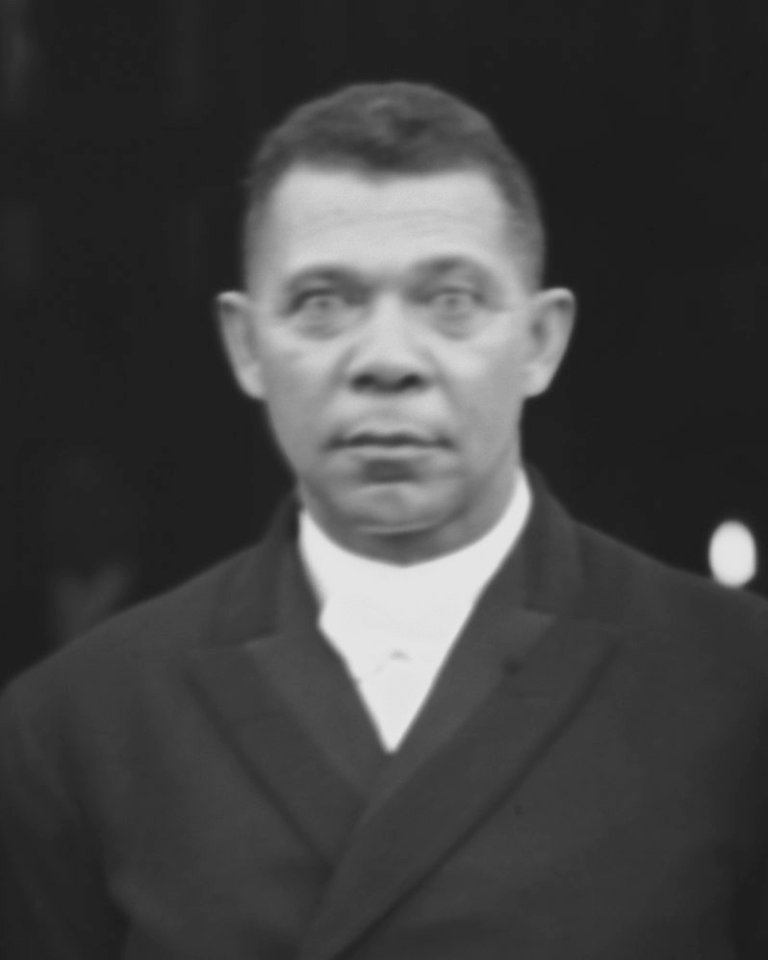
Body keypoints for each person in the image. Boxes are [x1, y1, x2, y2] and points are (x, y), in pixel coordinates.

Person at [2, 81, 768, 960]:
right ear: (247, 344)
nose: (389, 361)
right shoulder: (78, 725)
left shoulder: (735, 683)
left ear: (542, 340)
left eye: (451, 301)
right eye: (324, 303)